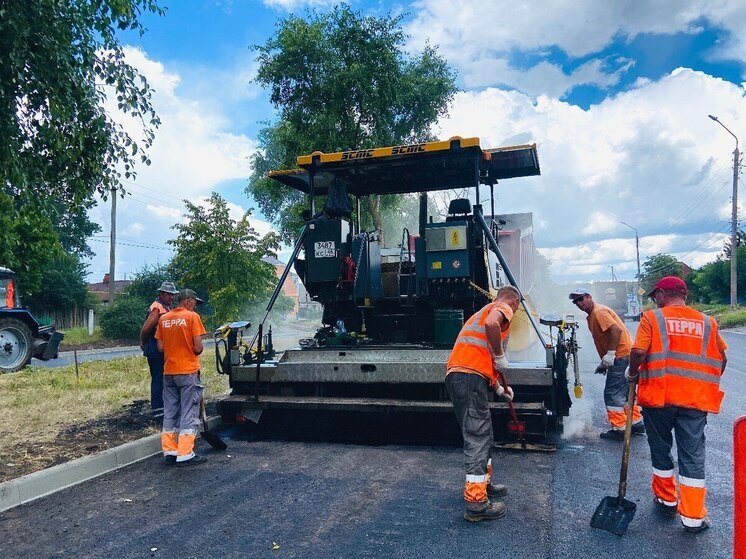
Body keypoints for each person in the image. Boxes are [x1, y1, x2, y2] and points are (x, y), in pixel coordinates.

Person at [626, 276, 727, 533]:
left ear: (661, 294)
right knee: (692, 455)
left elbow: (638, 351)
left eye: (654, 296)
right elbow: (721, 359)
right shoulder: (708, 322)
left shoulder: (653, 318)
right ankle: (693, 517)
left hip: (659, 397)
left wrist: (632, 373)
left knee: (660, 448)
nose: (654, 301)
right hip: (694, 399)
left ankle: (666, 499)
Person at [445, 285, 521, 522]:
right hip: (469, 377)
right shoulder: (502, 307)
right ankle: (476, 503)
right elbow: (492, 327)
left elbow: (481, 356)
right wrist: (500, 356)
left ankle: (483, 485)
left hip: (465, 376)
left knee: (484, 434)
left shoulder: (482, 311)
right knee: (477, 436)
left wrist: (499, 388)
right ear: (515, 302)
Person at [569, 288, 644, 440]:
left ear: (589, 297)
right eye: (575, 301)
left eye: (581, 299)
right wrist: (605, 362)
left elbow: (616, 331)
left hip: (621, 356)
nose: (578, 303)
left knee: (612, 394)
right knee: (625, 392)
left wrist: (610, 355)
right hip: (625, 354)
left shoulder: (599, 312)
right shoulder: (595, 313)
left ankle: (620, 428)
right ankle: (635, 423)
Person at [155, 288, 208, 466]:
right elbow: (198, 348)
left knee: (170, 411)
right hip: (187, 371)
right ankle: (185, 453)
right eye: (194, 302)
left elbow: (161, 348)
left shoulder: (164, 318)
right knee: (189, 411)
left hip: (169, 372)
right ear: (187, 301)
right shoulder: (192, 317)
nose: (195, 306)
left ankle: (170, 450)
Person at [140, 281, 178, 416]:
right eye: (169, 294)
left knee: (163, 377)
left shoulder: (166, 307)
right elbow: (146, 329)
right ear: (161, 294)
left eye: (173, 295)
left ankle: (163, 406)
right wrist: (143, 342)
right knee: (158, 377)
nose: (172, 297)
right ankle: (157, 408)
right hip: (155, 346)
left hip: (161, 346)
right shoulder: (157, 308)